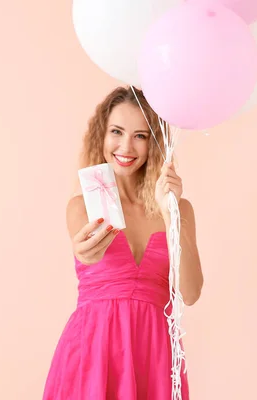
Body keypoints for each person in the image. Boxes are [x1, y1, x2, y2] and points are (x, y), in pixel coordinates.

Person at [42, 86, 204, 399]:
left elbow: (191, 292)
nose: (126, 146)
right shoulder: (82, 207)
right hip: (95, 349)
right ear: (101, 135)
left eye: (141, 136)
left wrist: (170, 213)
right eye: (116, 131)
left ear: (155, 144)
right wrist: (84, 252)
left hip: (153, 351)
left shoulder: (179, 209)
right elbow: (89, 256)